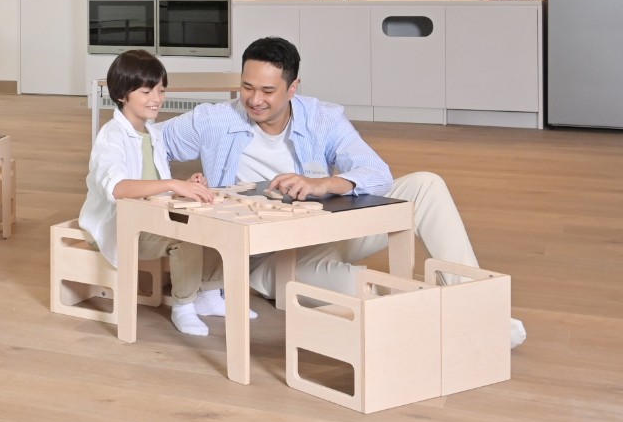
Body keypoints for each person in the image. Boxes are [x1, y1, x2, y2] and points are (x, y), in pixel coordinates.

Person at [159, 36, 525, 347]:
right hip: (270, 257)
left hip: (328, 226)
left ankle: (478, 306)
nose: (255, 99)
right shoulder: (213, 119)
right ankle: (468, 321)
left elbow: (377, 173)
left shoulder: (322, 117)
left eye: (268, 90)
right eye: (247, 87)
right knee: (360, 287)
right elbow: (151, 143)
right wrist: (174, 184)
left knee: (426, 185)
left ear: (293, 88)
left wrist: (326, 183)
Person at [80, 49, 226, 337]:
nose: (156, 98)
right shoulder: (112, 135)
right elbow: (119, 189)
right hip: (122, 225)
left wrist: (186, 185)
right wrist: (173, 184)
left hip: (149, 216)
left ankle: (209, 294)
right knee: (185, 237)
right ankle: (183, 306)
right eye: (146, 91)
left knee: (213, 221)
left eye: (160, 90)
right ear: (122, 94)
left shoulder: (153, 133)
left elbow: (155, 182)